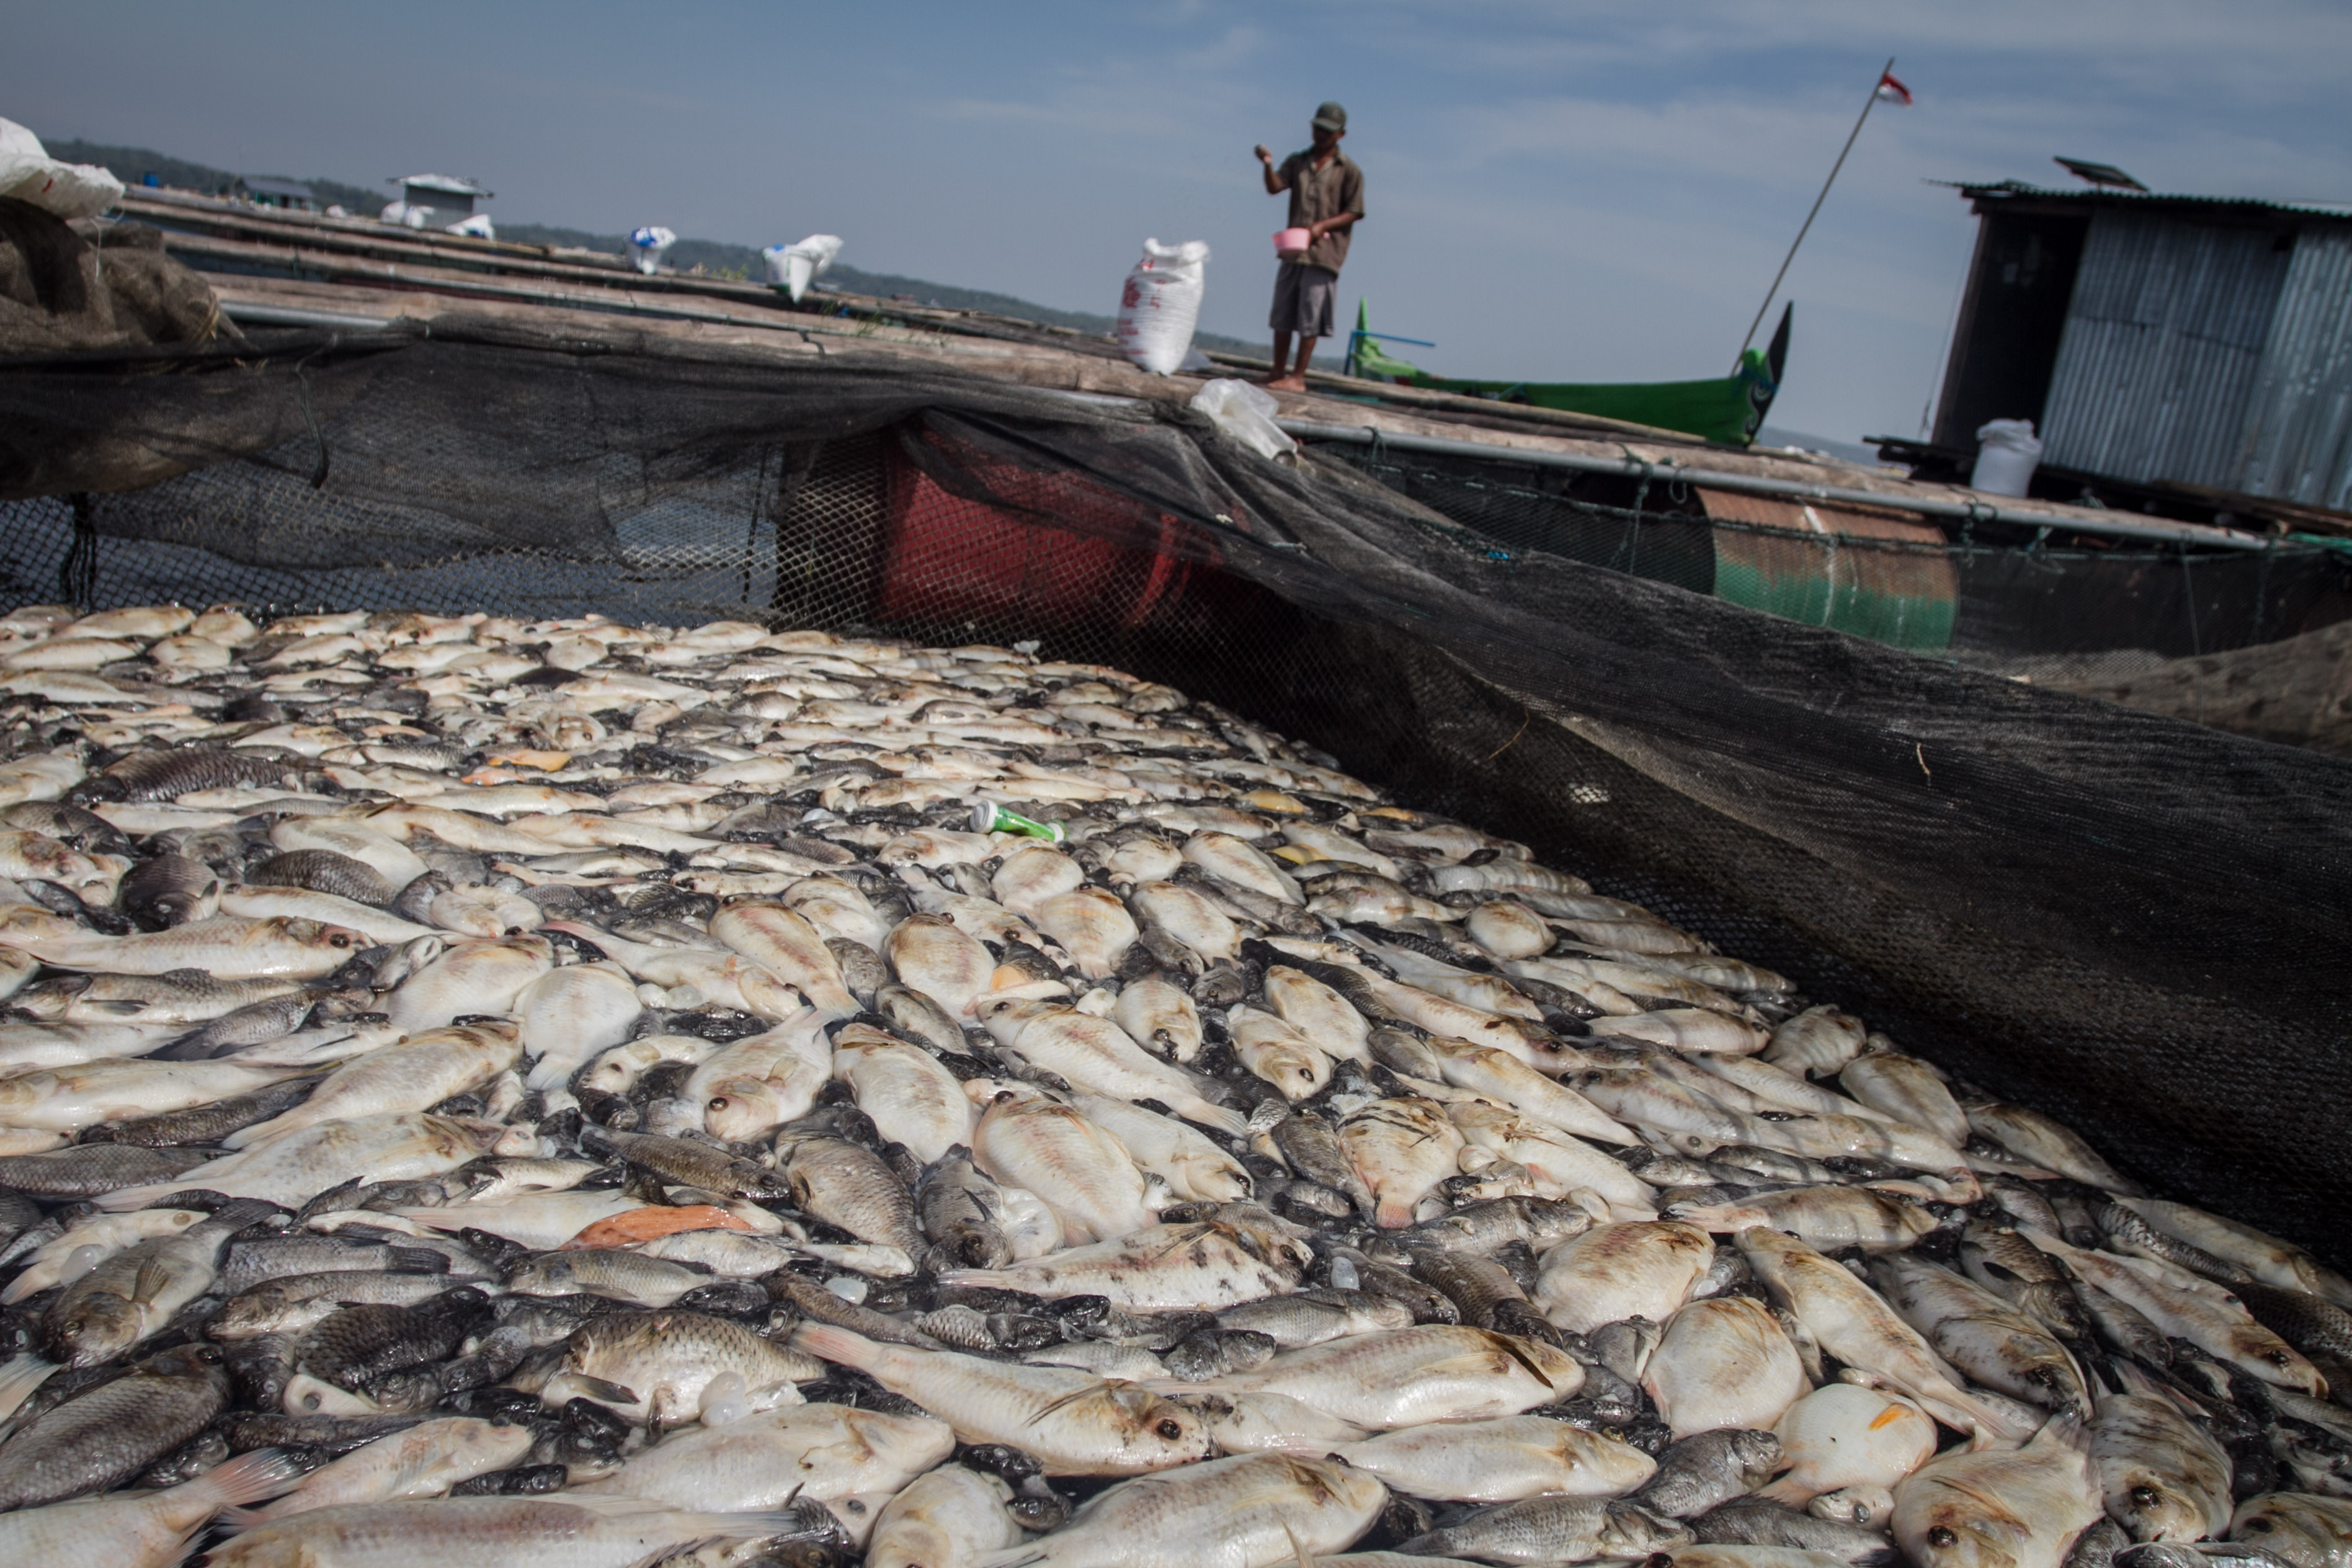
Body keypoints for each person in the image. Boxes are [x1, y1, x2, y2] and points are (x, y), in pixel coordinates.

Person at [1255, 101, 1364, 392]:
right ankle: (1278, 370)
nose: (1321, 135)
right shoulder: (1298, 162)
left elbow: (1355, 211)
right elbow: (1275, 187)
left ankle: (1298, 377)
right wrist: (1267, 164)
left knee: (1310, 317)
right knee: (1282, 312)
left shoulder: (1348, 171)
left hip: (1324, 255)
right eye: (1318, 129)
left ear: (1340, 135)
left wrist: (1322, 226)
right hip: (1293, 251)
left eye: (1328, 132)